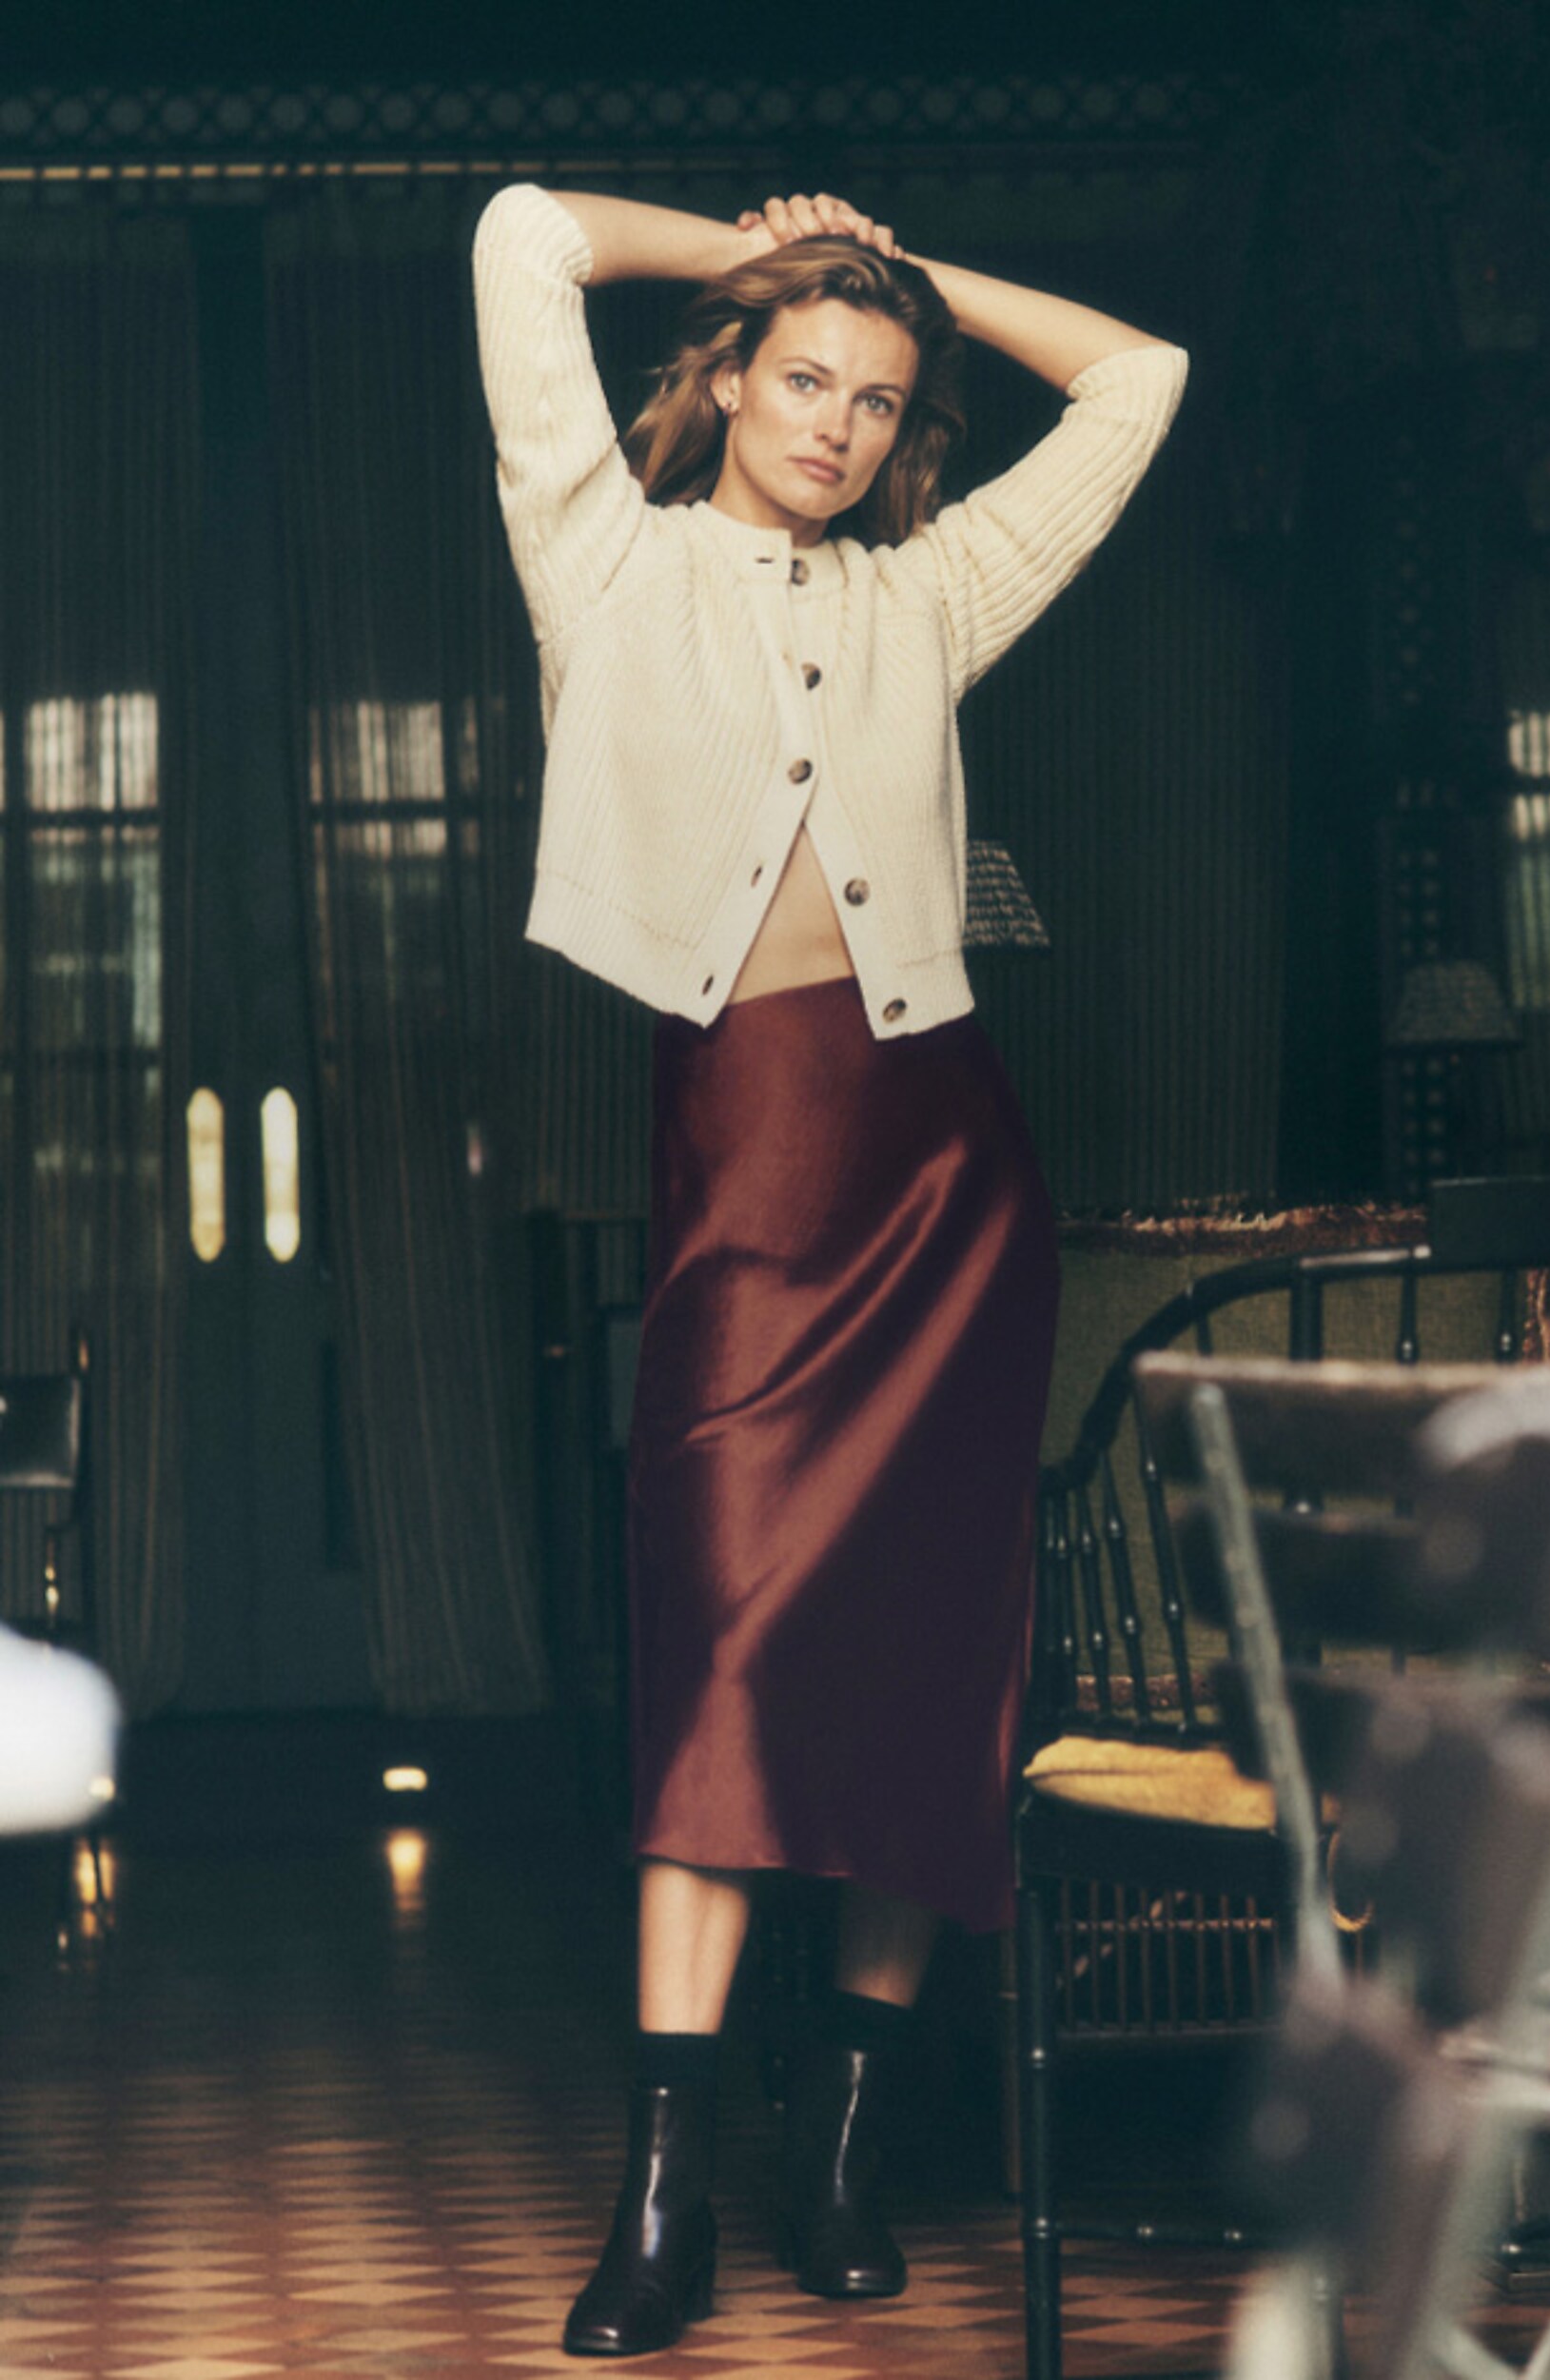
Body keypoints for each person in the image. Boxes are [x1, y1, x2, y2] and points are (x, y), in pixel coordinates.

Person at [474, 180, 1185, 2359]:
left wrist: (906, 277)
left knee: (909, 1666)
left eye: (879, 402)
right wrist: (776, 252)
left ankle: (845, 2157)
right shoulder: (602, 550)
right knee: (714, 1665)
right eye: (807, 381)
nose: (841, 425)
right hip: (743, 1184)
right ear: (732, 379)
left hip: (946, 1180)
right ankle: (665, 2192)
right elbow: (520, 238)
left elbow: (1140, 377)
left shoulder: (933, 597)